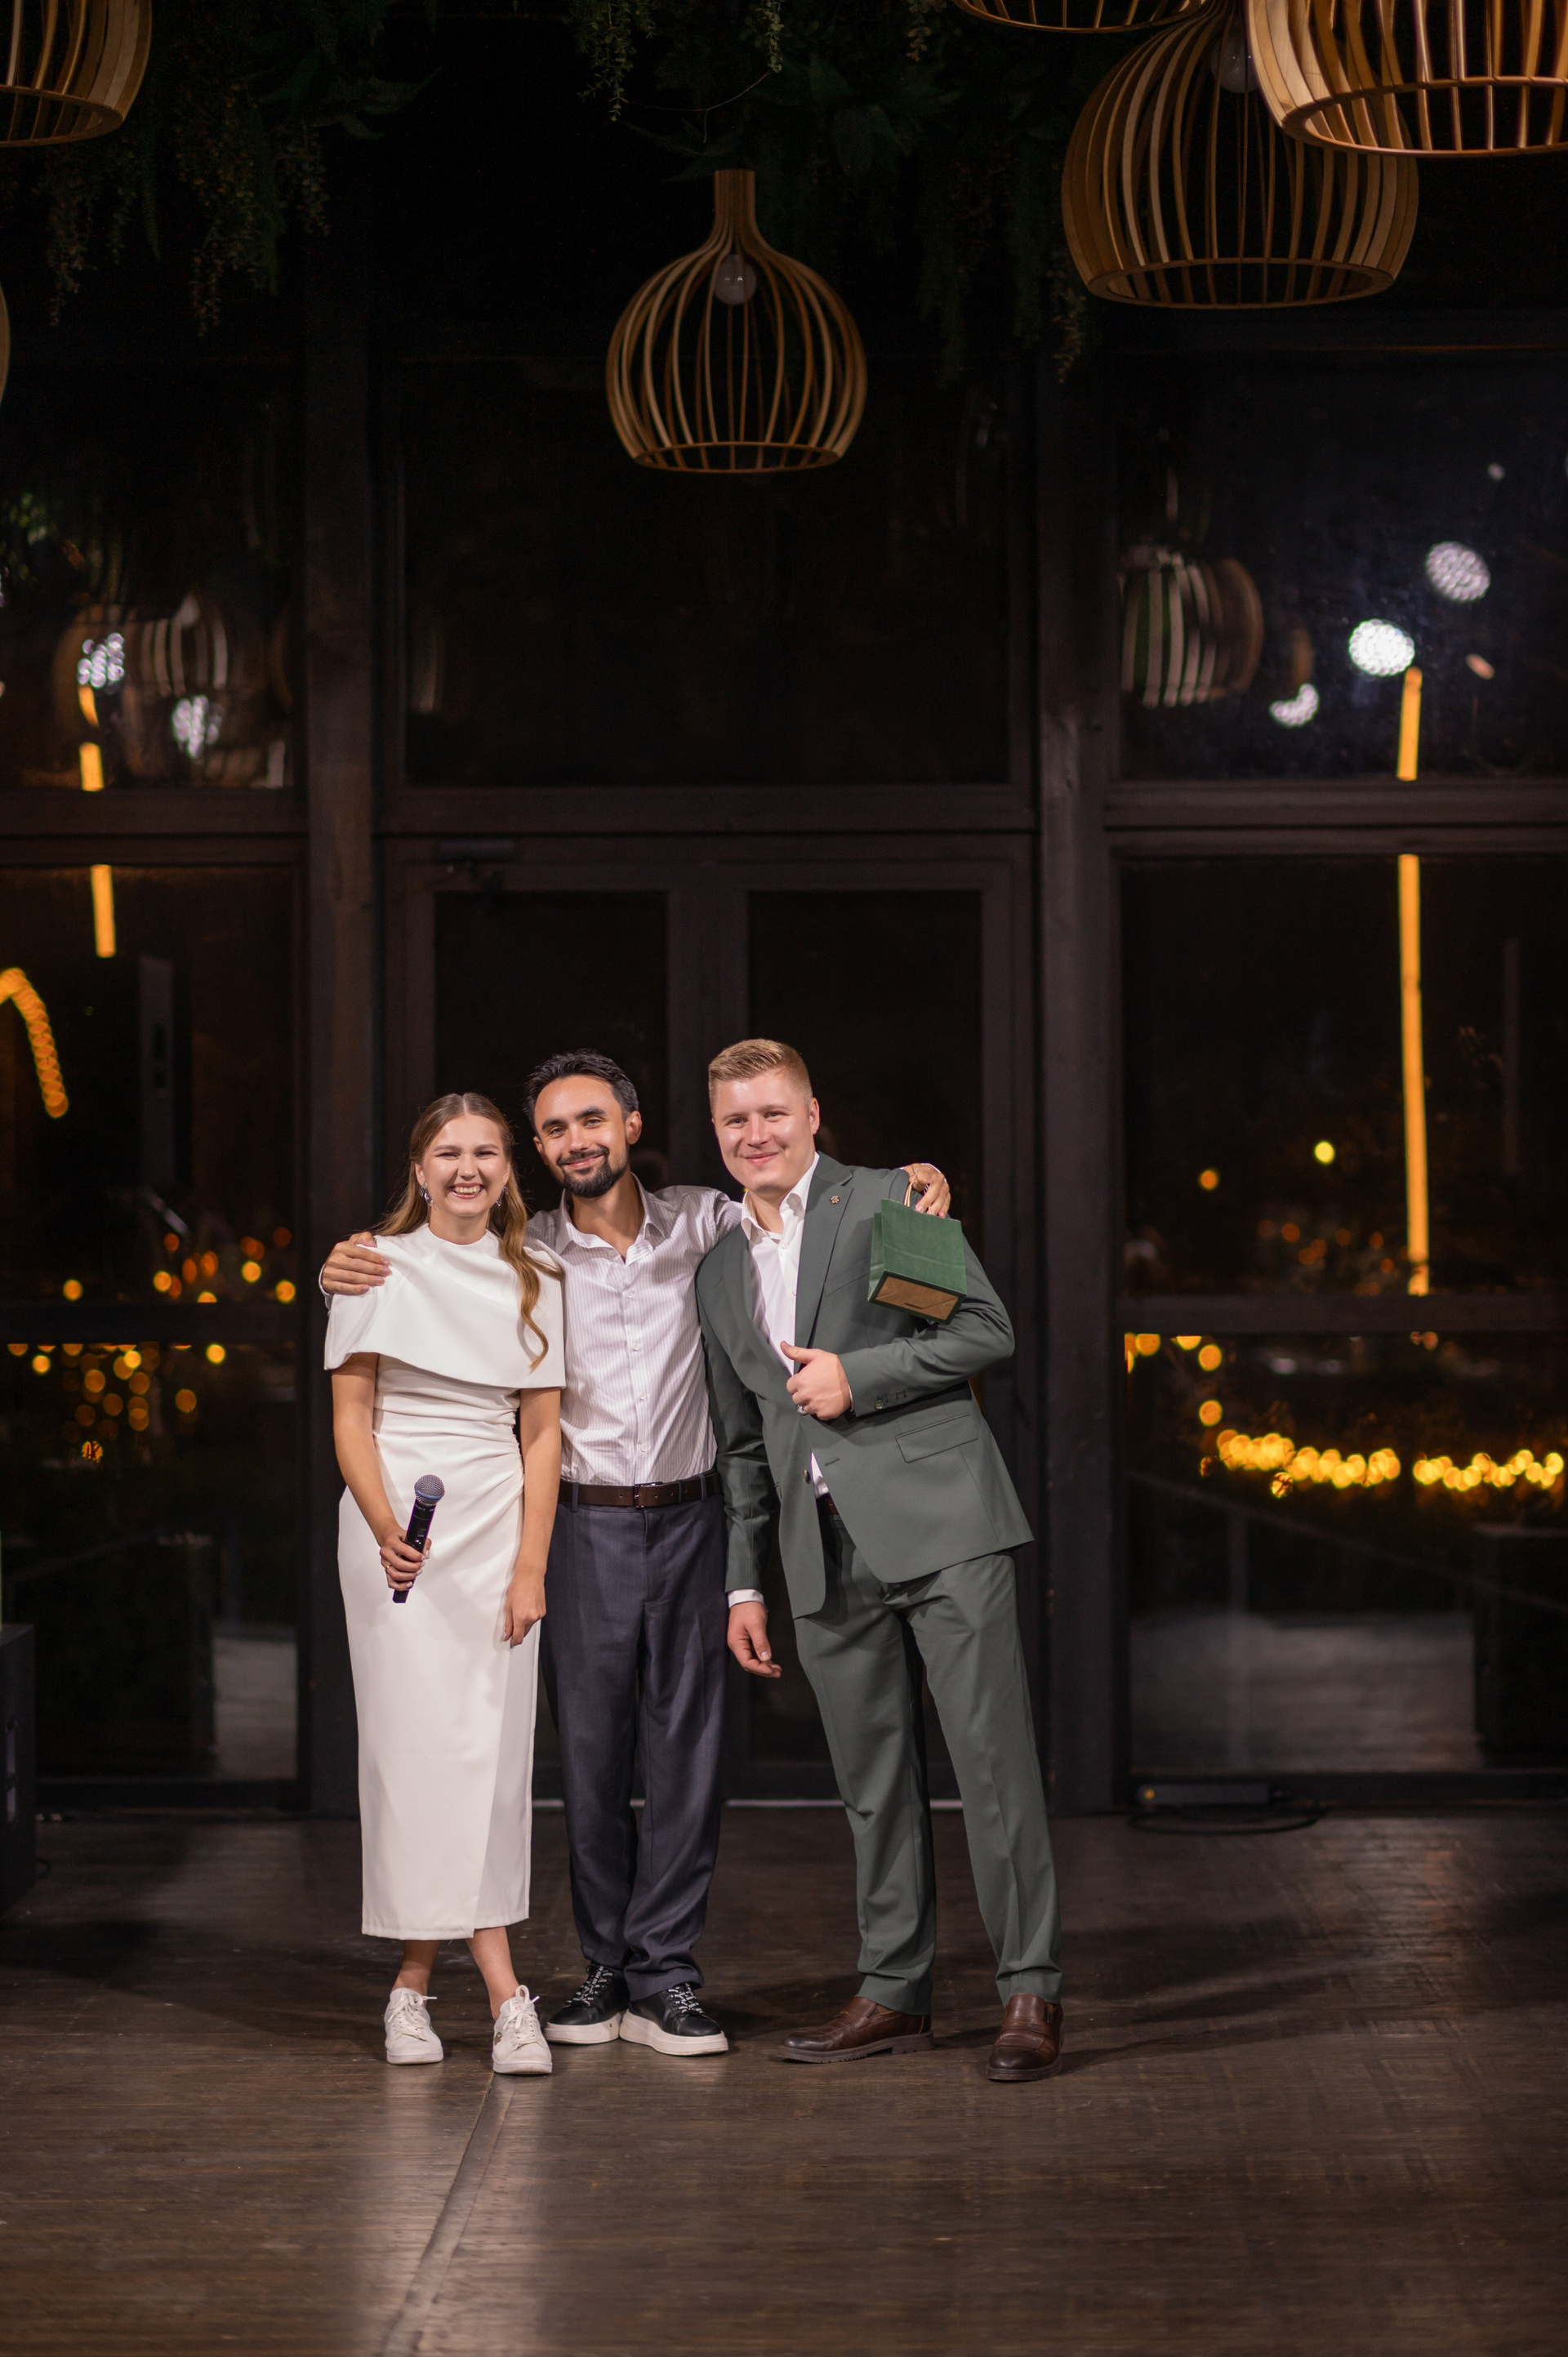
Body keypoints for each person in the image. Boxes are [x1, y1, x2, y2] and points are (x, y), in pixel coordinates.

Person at [320, 1050, 949, 2060]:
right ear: (539, 1150)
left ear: (630, 1126)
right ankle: (603, 1968)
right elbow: (424, 1271)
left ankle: (668, 1976)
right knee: (591, 1757)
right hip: (580, 1525)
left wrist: (910, 1183)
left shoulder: (705, 1222)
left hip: (695, 1517)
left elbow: (800, 1195)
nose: (577, 1142)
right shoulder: (527, 1254)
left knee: (688, 1755)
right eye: (555, 1129)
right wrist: (340, 1263)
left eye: (592, 1121)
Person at [695, 1037, 1064, 2085]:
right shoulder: (717, 1272)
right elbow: (740, 1444)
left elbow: (984, 1331)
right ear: (716, 1134)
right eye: (735, 1121)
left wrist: (861, 1375)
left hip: (942, 1523)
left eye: (773, 1113)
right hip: (818, 1552)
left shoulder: (889, 1201)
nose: (756, 1134)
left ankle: (1030, 1989)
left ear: (813, 1114)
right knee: (871, 1785)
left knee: (992, 1767)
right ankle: (895, 1992)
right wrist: (744, 1579)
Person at [327, 1091, 564, 2076]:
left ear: (508, 1170)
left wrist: (531, 1566)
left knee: (491, 1762)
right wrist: (387, 1528)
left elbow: (541, 1434)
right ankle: (507, 1995)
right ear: (420, 1169)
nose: (468, 1169)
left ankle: (412, 1985)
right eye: (449, 1153)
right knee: (412, 1754)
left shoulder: (540, 1275)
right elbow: (351, 1417)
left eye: (487, 1153)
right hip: (395, 1531)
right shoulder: (373, 1267)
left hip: (495, 1529)